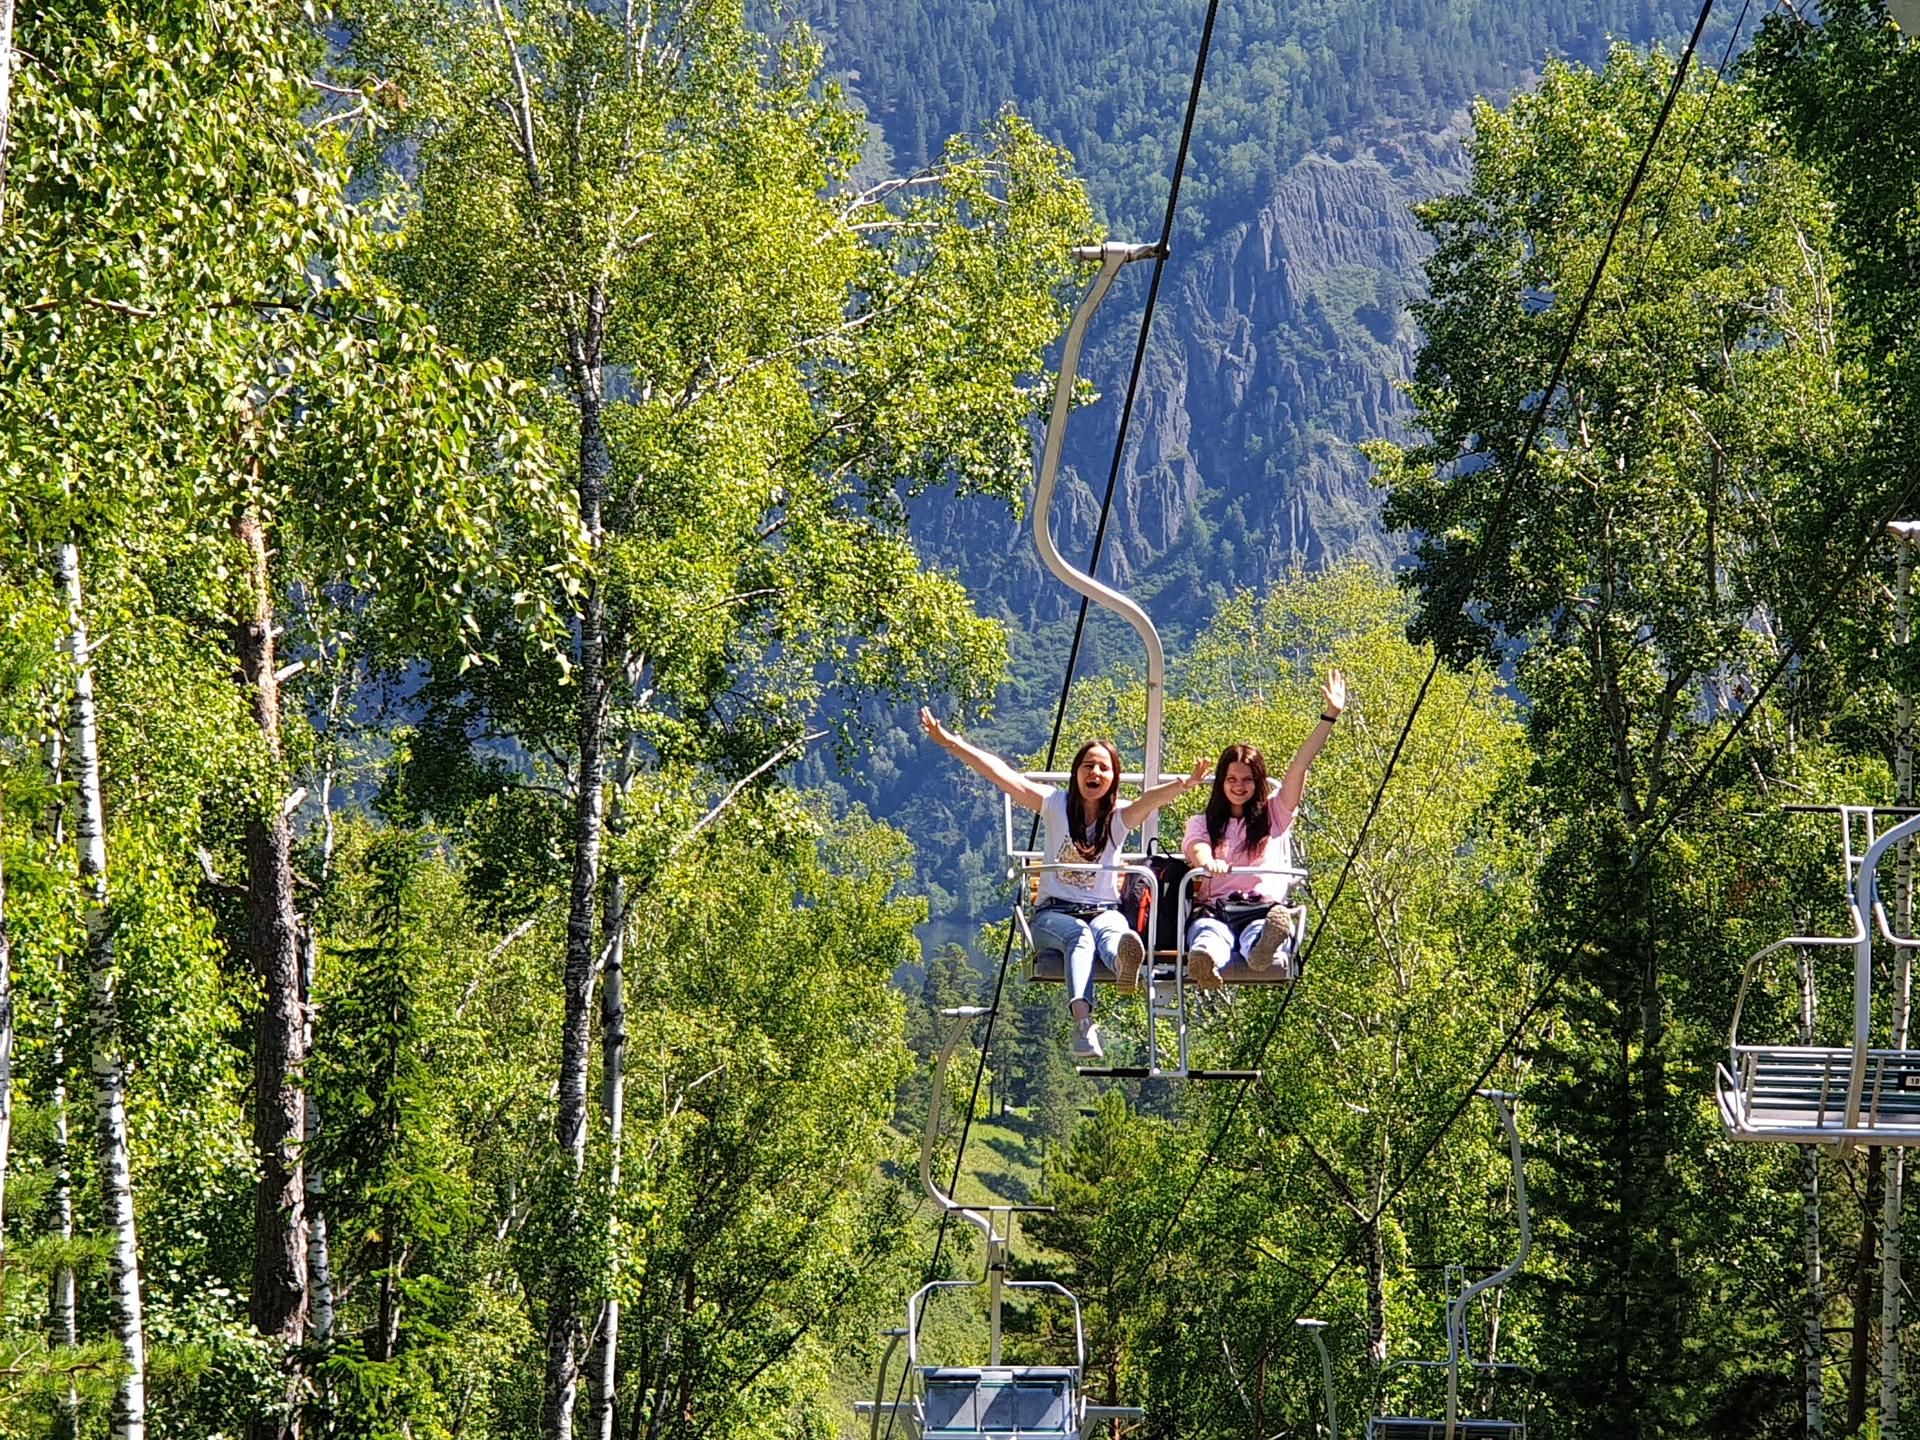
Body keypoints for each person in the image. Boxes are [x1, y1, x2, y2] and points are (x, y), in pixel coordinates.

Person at [919, 708, 1209, 1058]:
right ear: (1076, 772)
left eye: (1104, 768)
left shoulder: (1117, 819)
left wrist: (1183, 784)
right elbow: (1003, 776)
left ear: (1113, 779)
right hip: (1054, 915)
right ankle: (1084, 1026)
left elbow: (1150, 800)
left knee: (1114, 932)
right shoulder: (1055, 806)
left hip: (1103, 909)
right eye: (1088, 765)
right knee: (1079, 936)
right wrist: (952, 742)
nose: (1095, 772)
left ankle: (1123, 965)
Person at [1182, 670, 1346, 985]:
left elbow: (1299, 766)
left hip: (1258, 906)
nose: (1239, 786)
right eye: (1231, 779)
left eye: (1247, 780)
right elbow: (1197, 847)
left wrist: (1329, 716)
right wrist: (1208, 864)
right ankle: (1204, 961)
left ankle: (1263, 949)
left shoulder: (1273, 814)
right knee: (1208, 933)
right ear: (1221, 783)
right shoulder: (1203, 822)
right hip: (1217, 907)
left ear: (1257, 782)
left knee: (1258, 931)